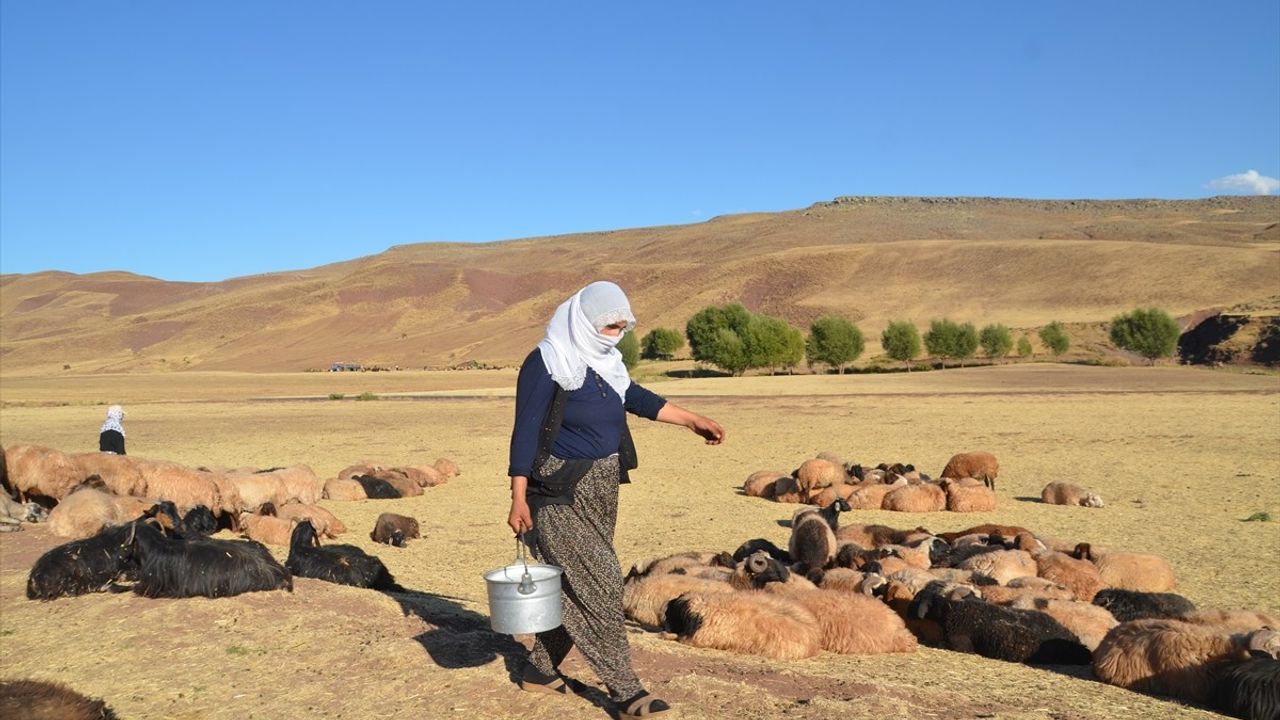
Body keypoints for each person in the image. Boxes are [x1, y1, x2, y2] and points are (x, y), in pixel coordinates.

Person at [506, 281, 725, 718]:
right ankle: (626, 691)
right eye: (609, 324)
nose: (617, 331)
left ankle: (538, 671)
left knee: (578, 583)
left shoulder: (606, 360)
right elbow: (525, 431)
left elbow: (635, 398)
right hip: (557, 491)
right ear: (583, 320)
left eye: (623, 324)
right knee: (604, 583)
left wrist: (691, 420)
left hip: (601, 485)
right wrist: (518, 496)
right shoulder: (548, 361)